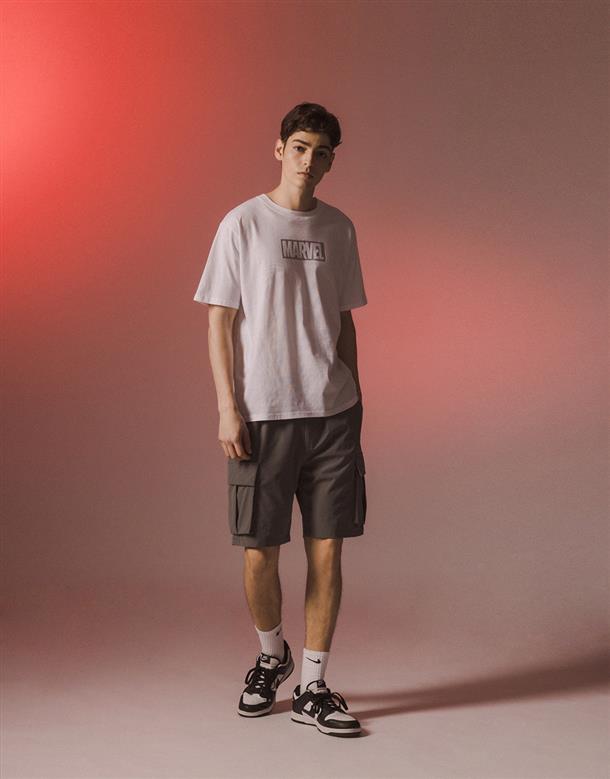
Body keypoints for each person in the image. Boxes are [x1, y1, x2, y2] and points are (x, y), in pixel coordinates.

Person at [193, 102, 368, 738]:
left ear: (331, 161)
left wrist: (356, 400)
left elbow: (344, 321)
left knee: (328, 553)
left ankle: (313, 686)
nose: (309, 161)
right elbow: (219, 320)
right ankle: (273, 656)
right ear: (280, 149)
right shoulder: (242, 223)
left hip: (332, 415)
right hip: (262, 415)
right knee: (259, 553)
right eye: (300, 148)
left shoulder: (339, 228)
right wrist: (227, 407)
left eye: (321, 153)